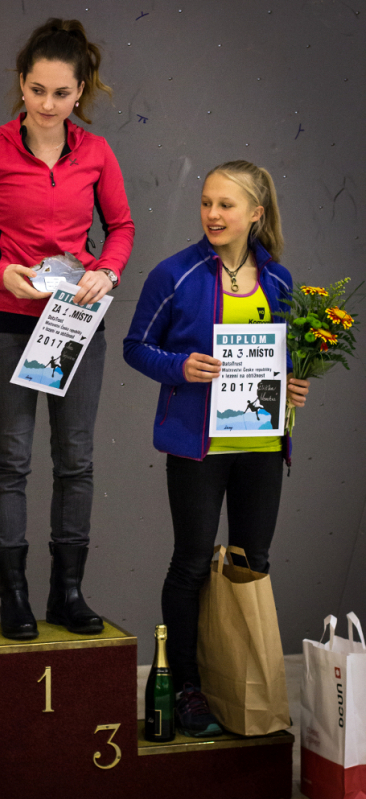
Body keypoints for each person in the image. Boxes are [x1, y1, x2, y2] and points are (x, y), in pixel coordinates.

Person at [0, 19, 134, 641]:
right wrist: (0, 273)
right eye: (36, 90)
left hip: (76, 323)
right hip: (6, 324)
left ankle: (68, 593)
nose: (47, 105)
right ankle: (15, 598)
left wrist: (107, 270)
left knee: (76, 461)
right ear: (20, 85)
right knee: (12, 461)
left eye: (61, 93)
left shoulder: (97, 154)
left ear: (81, 92)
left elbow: (123, 226)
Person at [123, 160, 309, 737]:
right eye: (206, 203)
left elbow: (285, 359)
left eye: (226, 205)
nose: (212, 214)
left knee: (253, 564)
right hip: (198, 449)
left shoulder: (279, 282)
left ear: (256, 213)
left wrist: (297, 380)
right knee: (191, 564)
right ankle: (185, 687)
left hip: (259, 446)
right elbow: (135, 347)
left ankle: (239, 680)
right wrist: (180, 366)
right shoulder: (174, 273)